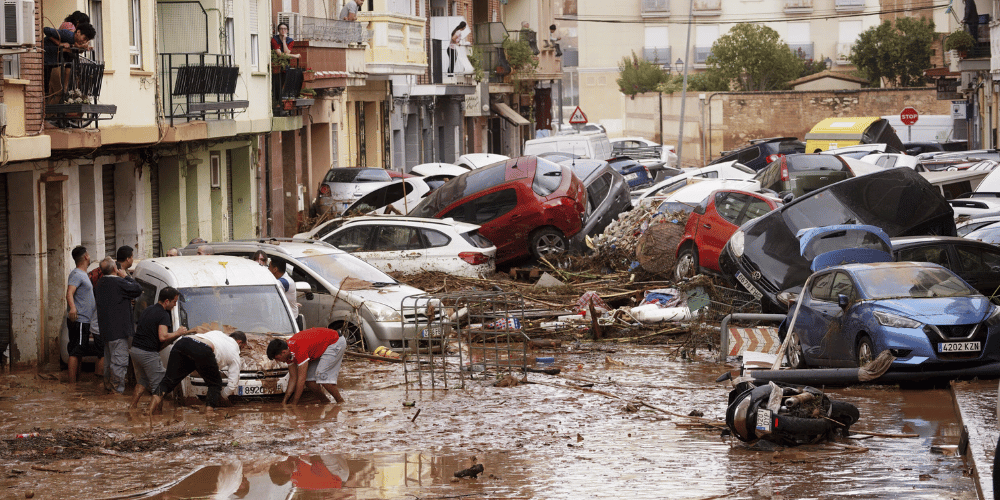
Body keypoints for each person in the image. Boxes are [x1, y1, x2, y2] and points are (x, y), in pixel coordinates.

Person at [149, 330, 246, 414]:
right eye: (243, 347)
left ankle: (149, 412)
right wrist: (222, 396)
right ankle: (210, 415)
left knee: (168, 381)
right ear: (239, 342)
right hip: (203, 349)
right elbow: (233, 383)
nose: (241, 350)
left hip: (183, 342)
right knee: (215, 385)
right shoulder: (235, 353)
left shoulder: (218, 333)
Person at [129, 287, 188, 409]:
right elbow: (162, 336)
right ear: (167, 301)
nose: (175, 304)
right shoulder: (163, 314)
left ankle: (132, 407)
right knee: (161, 384)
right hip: (147, 353)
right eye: (174, 302)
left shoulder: (148, 309)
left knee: (142, 380)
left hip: (135, 350)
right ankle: (155, 414)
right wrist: (178, 333)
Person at [94, 256, 142, 394]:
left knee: (109, 362)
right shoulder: (119, 283)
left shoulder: (100, 283)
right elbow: (137, 289)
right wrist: (126, 276)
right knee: (119, 363)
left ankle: (108, 387)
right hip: (119, 331)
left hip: (105, 330)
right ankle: (117, 392)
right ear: (115, 268)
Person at [266, 327, 346, 405]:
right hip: (320, 347)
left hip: (335, 341)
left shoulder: (298, 349)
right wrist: (285, 401)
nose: (277, 361)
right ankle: (325, 402)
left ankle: (340, 401)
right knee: (309, 381)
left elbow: (301, 380)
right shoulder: (288, 353)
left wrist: (294, 404)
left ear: (283, 352)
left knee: (322, 376)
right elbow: (293, 378)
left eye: (277, 358)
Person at [66, 246, 103, 384]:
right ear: (86, 257)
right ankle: (72, 385)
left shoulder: (83, 274)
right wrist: (73, 308)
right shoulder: (76, 274)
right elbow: (69, 292)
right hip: (79, 319)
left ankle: (76, 382)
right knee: (76, 351)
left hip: (85, 320)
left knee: (79, 351)